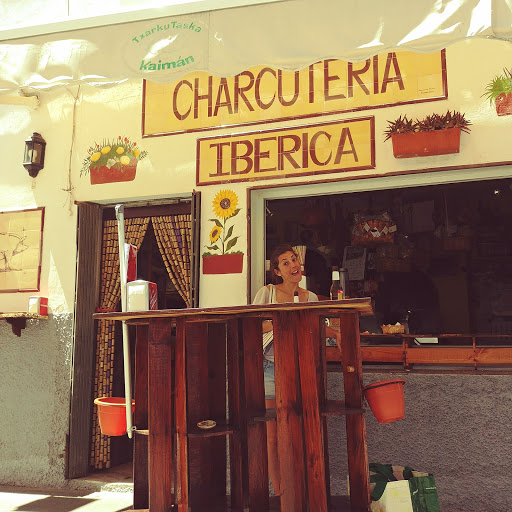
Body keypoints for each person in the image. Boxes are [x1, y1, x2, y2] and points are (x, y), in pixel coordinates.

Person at [252, 243, 339, 496]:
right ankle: (280, 494)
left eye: (294, 260)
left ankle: (301, 488)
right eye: (286, 262)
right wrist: (283, 319)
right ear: (277, 271)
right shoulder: (266, 293)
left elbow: (314, 327)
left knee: (300, 430)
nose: (293, 265)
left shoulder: (309, 297)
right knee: (272, 436)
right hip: (269, 370)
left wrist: (336, 334)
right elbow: (255, 327)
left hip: (300, 371)